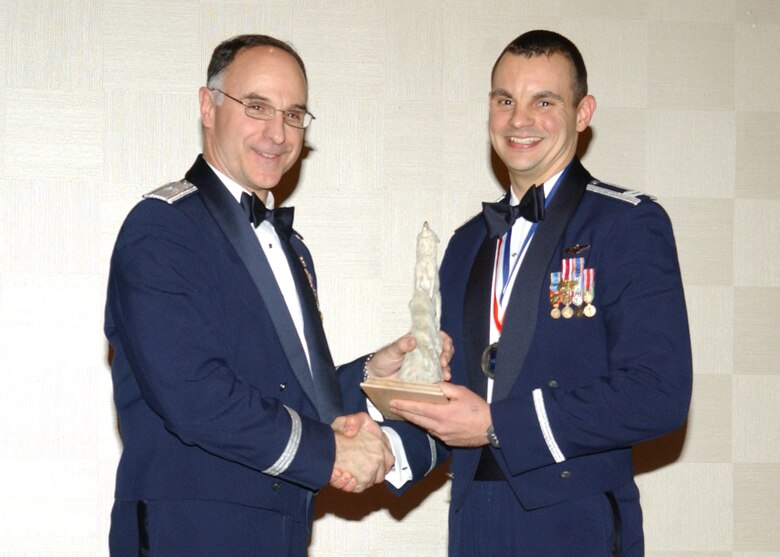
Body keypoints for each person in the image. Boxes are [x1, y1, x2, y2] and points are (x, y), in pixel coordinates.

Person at [104, 34, 448, 557]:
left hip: (281, 534)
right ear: (208, 105)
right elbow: (193, 394)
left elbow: (286, 393)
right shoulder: (162, 228)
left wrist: (372, 377)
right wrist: (330, 451)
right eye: (258, 107)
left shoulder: (294, 251)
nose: (277, 133)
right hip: (188, 536)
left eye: (293, 115)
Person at [390, 30, 692, 556]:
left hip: (577, 523)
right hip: (474, 525)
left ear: (582, 113)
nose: (519, 120)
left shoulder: (626, 225)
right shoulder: (464, 244)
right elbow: (455, 400)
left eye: (543, 102)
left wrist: (496, 425)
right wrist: (382, 445)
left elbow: (658, 395)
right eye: (505, 100)